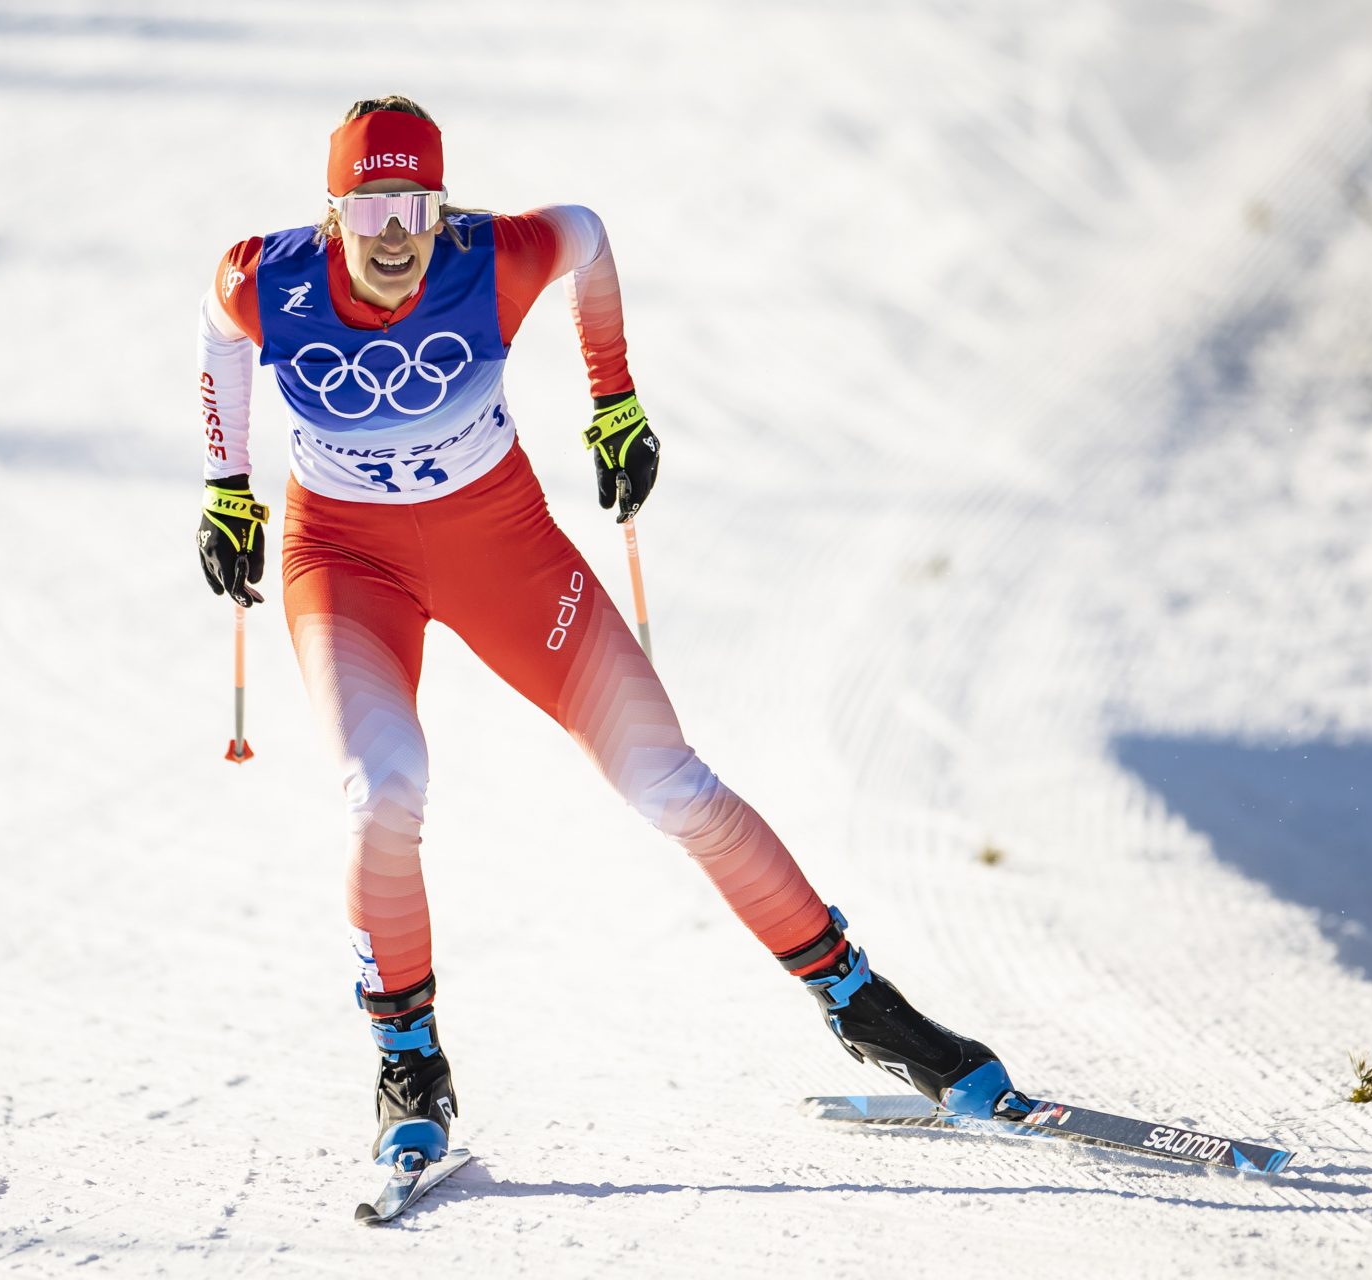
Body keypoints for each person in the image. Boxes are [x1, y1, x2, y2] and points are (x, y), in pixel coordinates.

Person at [194, 95, 1022, 1167]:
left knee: (668, 781)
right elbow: (216, 333)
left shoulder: (496, 258)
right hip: (344, 562)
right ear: (332, 212)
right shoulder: (264, 278)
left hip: (501, 546)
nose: (393, 232)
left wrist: (615, 398)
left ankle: (862, 1006)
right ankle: (409, 1058)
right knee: (382, 789)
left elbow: (587, 235)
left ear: (442, 210)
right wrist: (226, 484)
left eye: (414, 204)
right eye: (369, 207)